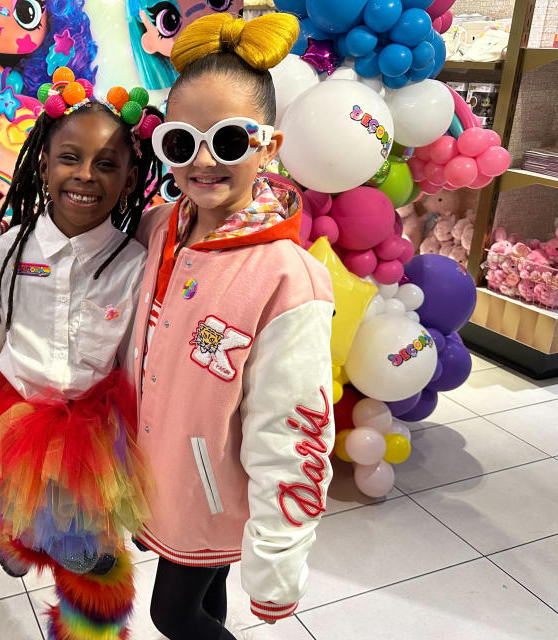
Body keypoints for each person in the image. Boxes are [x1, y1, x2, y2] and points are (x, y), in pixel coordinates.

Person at [0, 68, 162, 639]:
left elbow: (137, 357)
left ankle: (89, 629)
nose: (86, 175)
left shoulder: (135, 263)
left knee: (90, 559)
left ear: (131, 179)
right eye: (70, 158)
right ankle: (18, 537)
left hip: (95, 433)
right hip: (14, 419)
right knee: (22, 507)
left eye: (107, 164)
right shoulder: (12, 248)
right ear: (43, 164)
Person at [131, 13, 335, 639]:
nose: (202, 163)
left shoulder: (285, 279)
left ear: (269, 145)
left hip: (215, 495)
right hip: (161, 473)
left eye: (226, 141)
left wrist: (277, 566)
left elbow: (292, 428)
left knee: (174, 615)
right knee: (205, 598)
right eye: (180, 142)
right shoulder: (166, 226)